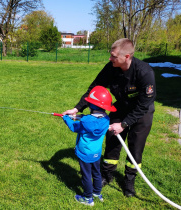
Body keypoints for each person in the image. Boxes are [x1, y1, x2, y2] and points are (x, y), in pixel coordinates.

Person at [62, 38, 156, 197]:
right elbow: (93, 89)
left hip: (142, 112)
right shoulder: (111, 68)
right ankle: (106, 175)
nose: (110, 59)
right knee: (112, 143)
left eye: (113, 56)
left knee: (135, 148)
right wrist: (77, 108)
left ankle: (129, 182)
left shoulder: (145, 72)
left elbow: (144, 103)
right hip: (120, 108)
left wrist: (124, 124)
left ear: (126, 57)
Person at [62, 86, 117, 206]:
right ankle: (97, 193)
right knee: (96, 173)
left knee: (86, 176)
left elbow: (74, 127)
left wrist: (66, 118)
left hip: (85, 153)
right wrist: (80, 116)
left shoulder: (86, 123)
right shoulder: (106, 119)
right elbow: (90, 118)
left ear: (92, 106)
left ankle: (88, 199)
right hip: (96, 153)